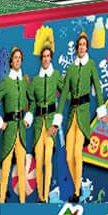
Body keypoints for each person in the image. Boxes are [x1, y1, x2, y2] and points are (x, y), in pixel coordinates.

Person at [53, 32, 106, 201]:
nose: (81, 47)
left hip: (83, 113)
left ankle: (77, 191)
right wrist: (57, 119)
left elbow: (97, 88)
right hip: (72, 115)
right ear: (76, 48)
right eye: (79, 45)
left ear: (87, 48)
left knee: (77, 153)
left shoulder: (90, 65)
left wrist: (102, 111)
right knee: (69, 155)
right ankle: (77, 186)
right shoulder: (71, 69)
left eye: (84, 45)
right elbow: (64, 95)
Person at [0, 47, 33, 203]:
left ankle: (22, 203)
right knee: (6, 169)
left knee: (21, 170)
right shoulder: (6, 83)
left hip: (21, 131)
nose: (17, 60)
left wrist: (28, 117)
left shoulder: (24, 83)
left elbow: (32, 102)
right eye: (15, 57)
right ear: (10, 61)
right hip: (9, 131)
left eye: (19, 58)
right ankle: (2, 201)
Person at [29, 47, 63, 202]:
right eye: (43, 56)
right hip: (38, 124)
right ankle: (41, 196)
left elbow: (65, 94)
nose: (46, 59)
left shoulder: (56, 76)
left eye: (48, 56)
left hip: (50, 123)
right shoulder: (35, 81)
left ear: (51, 58)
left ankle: (46, 193)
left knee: (48, 160)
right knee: (39, 160)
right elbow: (30, 102)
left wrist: (56, 121)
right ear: (41, 59)